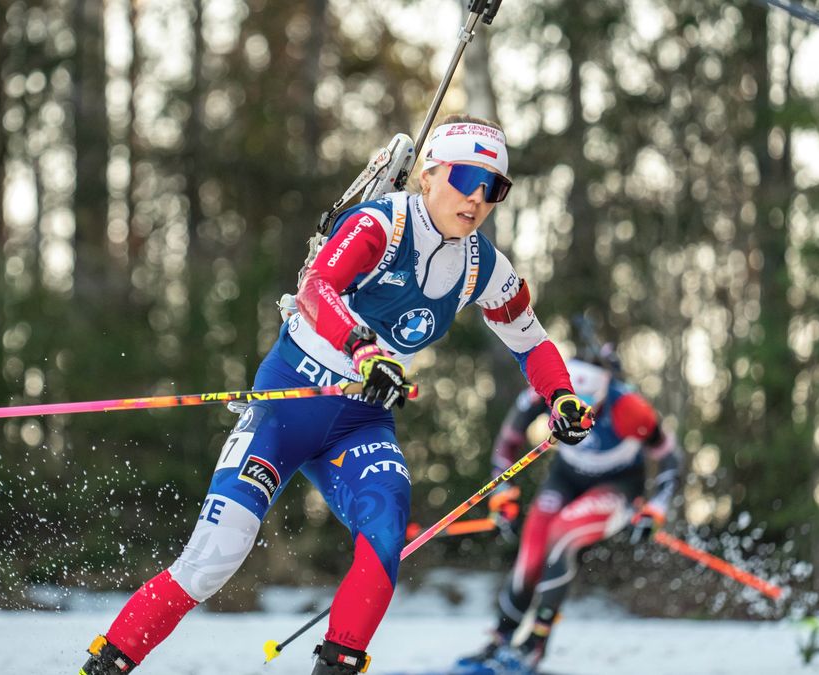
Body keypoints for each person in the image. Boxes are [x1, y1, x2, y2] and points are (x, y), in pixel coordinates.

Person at [79, 115, 595, 675]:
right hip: (288, 406)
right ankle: (104, 667)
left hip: (361, 422)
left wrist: (561, 397)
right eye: (465, 177)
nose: (475, 197)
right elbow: (316, 287)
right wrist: (363, 347)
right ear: (428, 175)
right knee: (211, 562)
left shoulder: (484, 266)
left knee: (385, 532)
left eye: (491, 187)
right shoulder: (383, 224)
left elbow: (531, 341)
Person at [454, 349, 682, 675]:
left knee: (563, 533)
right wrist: (503, 495)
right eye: (572, 398)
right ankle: (500, 641)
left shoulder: (629, 408)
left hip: (618, 485)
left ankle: (534, 644)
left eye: (588, 399)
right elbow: (508, 442)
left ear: (603, 390)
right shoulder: (548, 389)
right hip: (565, 478)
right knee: (531, 554)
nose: (578, 406)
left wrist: (658, 506)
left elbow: (670, 457)